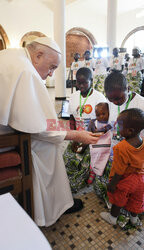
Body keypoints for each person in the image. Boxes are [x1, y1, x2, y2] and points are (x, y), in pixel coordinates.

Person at [0, 37, 102, 227]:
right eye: (52, 67)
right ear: (38, 55)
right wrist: (75, 134)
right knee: (47, 146)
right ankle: (48, 209)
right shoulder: (26, 71)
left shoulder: (9, 56)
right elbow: (41, 127)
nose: (51, 74)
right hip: (5, 143)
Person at [94, 71, 144, 226]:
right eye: (111, 99)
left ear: (127, 88)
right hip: (119, 156)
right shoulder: (110, 103)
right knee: (105, 183)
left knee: (137, 190)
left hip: (136, 163)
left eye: (118, 98)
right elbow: (115, 124)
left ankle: (121, 213)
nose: (114, 102)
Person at [100, 108, 144, 226]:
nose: (116, 127)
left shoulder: (121, 148)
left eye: (119, 125)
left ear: (130, 131)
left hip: (125, 180)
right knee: (137, 199)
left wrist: (112, 184)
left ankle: (112, 218)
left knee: (118, 200)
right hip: (140, 179)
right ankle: (134, 220)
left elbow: (119, 170)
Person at [63, 67, 106, 193]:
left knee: (83, 163)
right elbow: (71, 119)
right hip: (78, 136)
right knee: (67, 158)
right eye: (78, 82)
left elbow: (102, 127)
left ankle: (90, 173)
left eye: (84, 82)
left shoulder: (99, 98)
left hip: (94, 139)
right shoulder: (72, 97)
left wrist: (86, 142)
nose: (81, 85)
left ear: (91, 80)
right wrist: (74, 136)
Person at [87, 102, 112, 184]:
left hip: (106, 146)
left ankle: (98, 171)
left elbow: (106, 130)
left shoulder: (110, 123)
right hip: (96, 145)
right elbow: (89, 133)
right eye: (98, 115)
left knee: (104, 157)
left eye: (103, 114)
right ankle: (93, 171)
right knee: (94, 156)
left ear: (109, 112)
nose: (101, 117)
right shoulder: (93, 123)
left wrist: (101, 130)